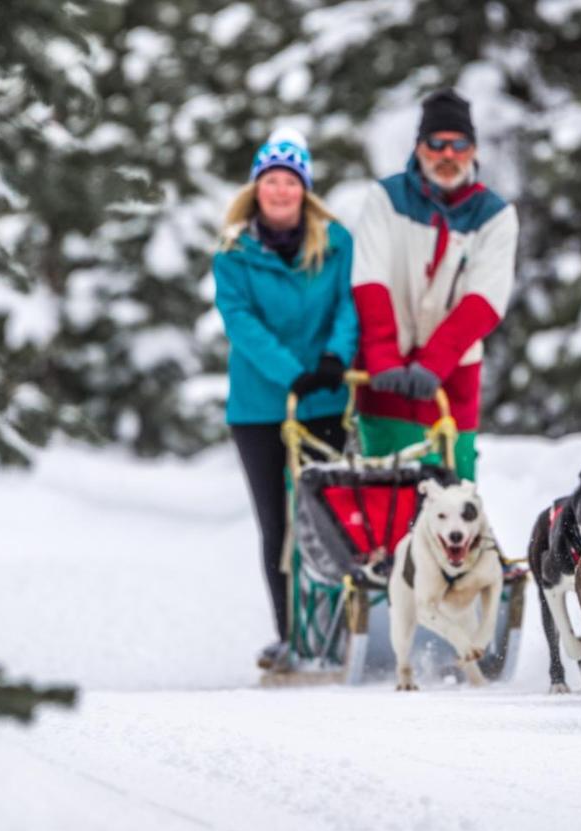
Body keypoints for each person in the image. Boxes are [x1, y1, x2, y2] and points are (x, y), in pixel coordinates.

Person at [214, 128, 357, 673]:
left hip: (325, 398)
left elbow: (349, 306)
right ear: (256, 189)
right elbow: (240, 322)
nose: (280, 190)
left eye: (289, 181)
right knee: (278, 524)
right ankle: (290, 633)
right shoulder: (233, 253)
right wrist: (291, 373)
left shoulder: (337, 242)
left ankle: (342, 629)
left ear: (304, 189)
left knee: (331, 516)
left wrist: (333, 360)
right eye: (270, 181)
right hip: (260, 407)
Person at [350, 88, 518, 482]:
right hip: (386, 377)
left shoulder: (494, 216)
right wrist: (383, 355)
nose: (447, 155)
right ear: (419, 147)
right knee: (386, 495)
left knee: (454, 499)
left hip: (451, 380)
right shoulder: (386, 199)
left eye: (458, 144)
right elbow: (369, 279)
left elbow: (485, 299)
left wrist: (434, 362)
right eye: (436, 144)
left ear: (472, 149)